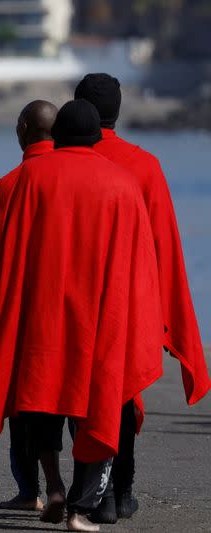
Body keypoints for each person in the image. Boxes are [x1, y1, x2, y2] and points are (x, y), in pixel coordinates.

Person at [0, 99, 165, 532]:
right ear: (96, 136)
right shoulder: (122, 183)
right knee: (97, 404)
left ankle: (52, 486)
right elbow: (138, 263)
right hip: (98, 317)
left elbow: (12, 253)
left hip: (43, 313)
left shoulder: (29, 178)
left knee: (39, 403)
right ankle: (80, 508)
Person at [74, 73, 211, 524]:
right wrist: (170, 316)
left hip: (76, 300)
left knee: (79, 394)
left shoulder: (65, 161)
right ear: (117, 110)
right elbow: (164, 245)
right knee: (125, 390)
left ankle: (93, 489)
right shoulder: (144, 164)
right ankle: (122, 489)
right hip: (133, 302)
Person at [0, 99, 57, 512]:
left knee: (21, 402)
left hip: (23, 312)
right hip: (69, 311)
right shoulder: (76, 178)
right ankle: (92, 493)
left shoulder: (9, 184)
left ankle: (29, 490)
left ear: (23, 129)